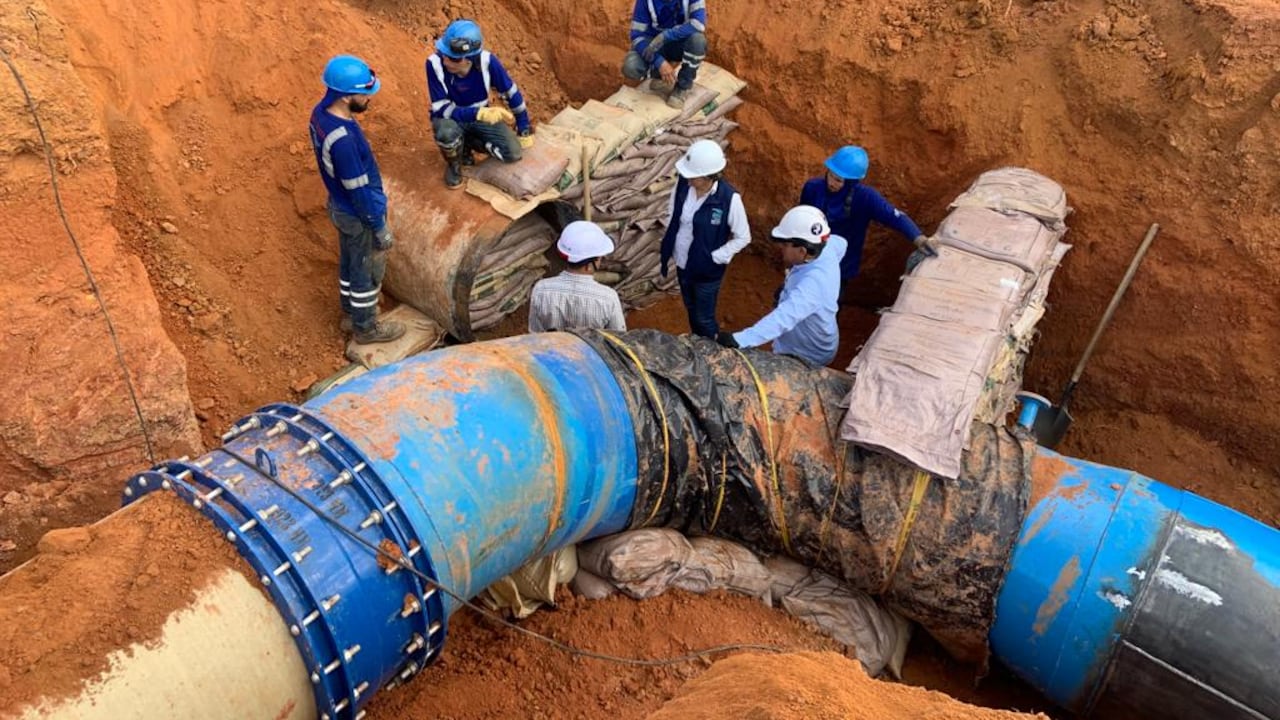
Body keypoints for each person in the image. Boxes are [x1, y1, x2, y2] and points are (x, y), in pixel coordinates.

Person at [308, 54, 405, 345]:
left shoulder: (320, 114)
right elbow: (359, 191)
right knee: (366, 269)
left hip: (340, 206)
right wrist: (378, 226)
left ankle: (351, 314)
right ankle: (366, 328)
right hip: (358, 212)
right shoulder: (345, 140)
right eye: (364, 95)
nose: (369, 100)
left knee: (351, 262)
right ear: (346, 96)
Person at [715, 205, 847, 366]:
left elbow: (783, 319)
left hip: (805, 354)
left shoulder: (813, 285)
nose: (781, 248)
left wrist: (739, 340)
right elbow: (842, 243)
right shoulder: (826, 247)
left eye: (785, 245)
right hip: (805, 338)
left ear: (802, 251)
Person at [800, 145, 938, 296]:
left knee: (825, 307)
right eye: (831, 176)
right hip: (808, 259)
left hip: (839, 268)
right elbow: (800, 220)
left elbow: (894, 217)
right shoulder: (812, 188)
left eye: (839, 180)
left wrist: (919, 238)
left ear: (852, 181)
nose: (832, 183)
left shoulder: (865, 198)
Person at [427, 19, 534, 188]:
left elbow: (510, 92)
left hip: (480, 115)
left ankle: (469, 143)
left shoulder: (487, 62)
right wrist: (477, 113)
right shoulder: (434, 63)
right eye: (444, 54)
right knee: (445, 133)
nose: (446, 61)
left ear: (469, 59)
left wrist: (523, 125)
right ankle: (455, 164)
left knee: (513, 152)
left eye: (453, 59)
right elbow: (441, 109)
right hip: (452, 118)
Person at [660, 139, 750, 338]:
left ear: (710, 176)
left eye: (694, 177)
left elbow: (743, 236)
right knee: (691, 309)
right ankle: (698, 341)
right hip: (683, 264)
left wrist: (717, 256)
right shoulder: (683, 185)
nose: (688, 179)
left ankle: (711, 351)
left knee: (704, 318)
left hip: (707, 272)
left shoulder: (728, 199)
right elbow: (672, 211)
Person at [528, 222, 627, 333]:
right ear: (589, 264)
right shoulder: (608, 298)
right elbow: (618, 340)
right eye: (600, 258)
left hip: (550, 350)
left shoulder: (541, 289)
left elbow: (535, 334)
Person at [622, 0, 708, 109]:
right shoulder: (645, 2)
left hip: (680, 44)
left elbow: (698, 24)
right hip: (655, 46)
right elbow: (637, 36)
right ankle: (658, 76)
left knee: (698, 41)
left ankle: (682, 87)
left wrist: (667, 36)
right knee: (631, 66)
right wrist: (658, 61)